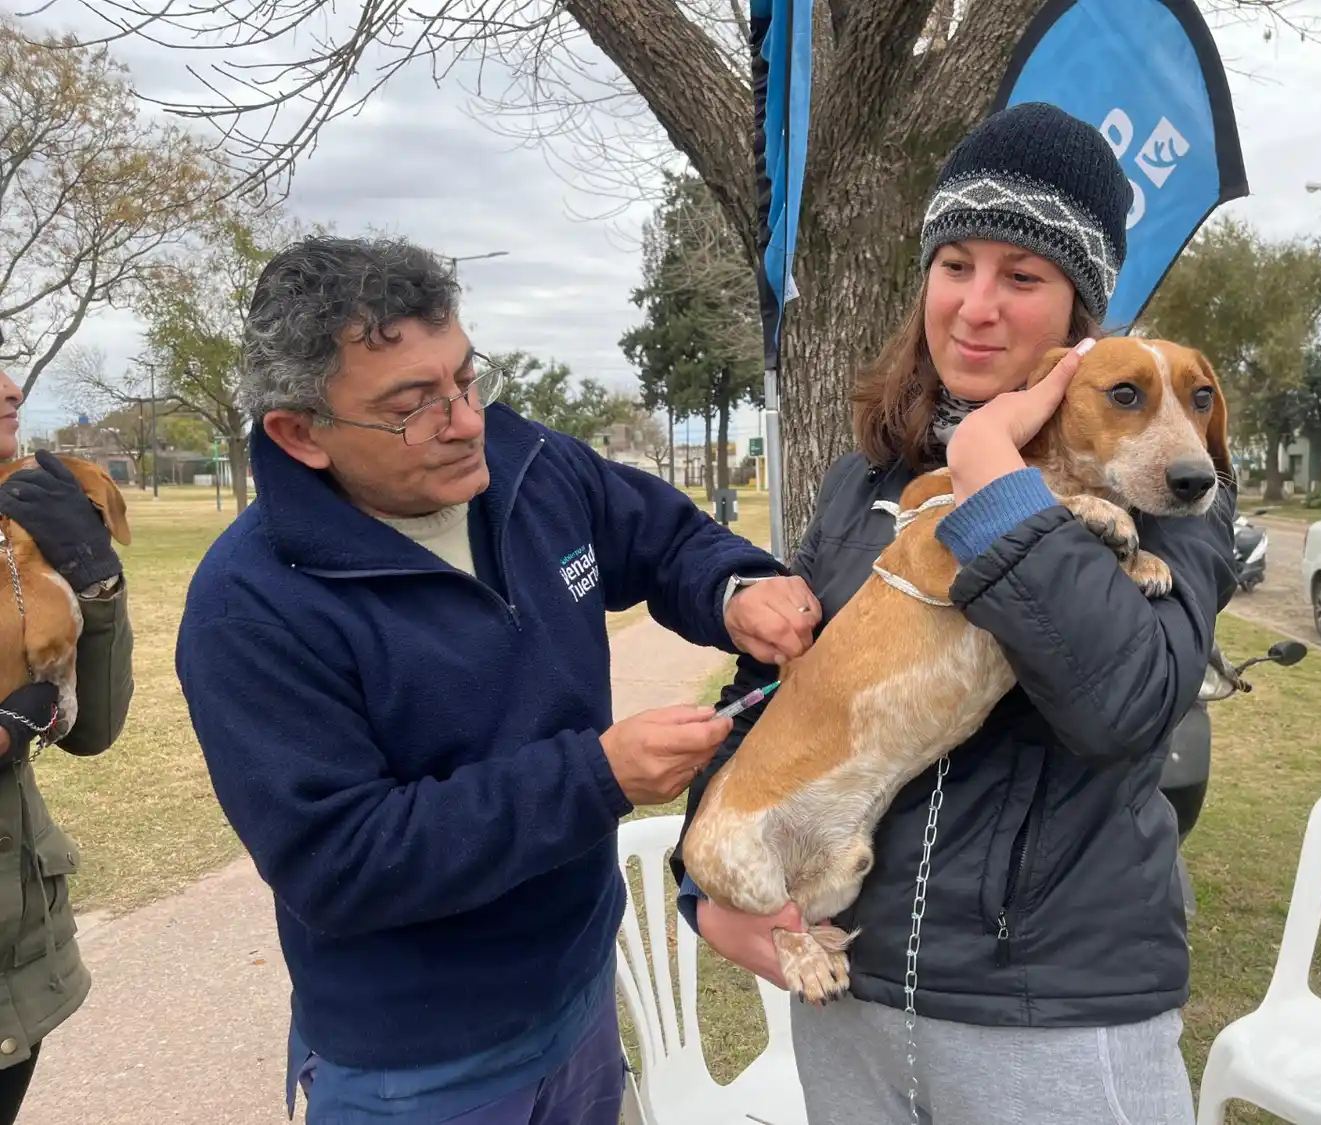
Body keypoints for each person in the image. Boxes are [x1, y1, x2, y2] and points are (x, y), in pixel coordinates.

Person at [671, 102, 1239, 1125]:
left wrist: (991, 477)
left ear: (1081, 320)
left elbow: (1126, 708)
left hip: (1052, 1016)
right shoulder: (866, 479)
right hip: (855, 995)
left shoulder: (1168, 485)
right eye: (954, 264)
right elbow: (778, 694)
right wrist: (703, 889)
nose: (976, 306)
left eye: (1022, 277)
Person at [172, 235, 817, 1125]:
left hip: (581, 991)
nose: (466, 421)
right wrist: (594, 777)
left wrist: (733, 590)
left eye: (466, 379)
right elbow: (340, 861)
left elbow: (662, 538)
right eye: (412, 407)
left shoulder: (528, 467)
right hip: (418, 1066)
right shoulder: (250, 607)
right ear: (300, 433)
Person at [0, 336, 134, 1125]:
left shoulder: (22, 515)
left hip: (18, 962)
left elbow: (91, 730)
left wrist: (95, 583)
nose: (11, 390)